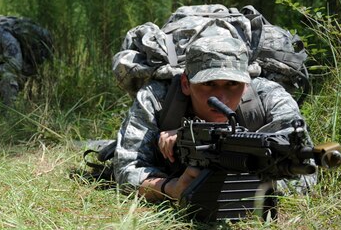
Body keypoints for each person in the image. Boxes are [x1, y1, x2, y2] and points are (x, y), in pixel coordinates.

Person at [114, 34, 309, 202]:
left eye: (233, 84)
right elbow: (125, 169)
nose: (221, 98)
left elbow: (306, 174)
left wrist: (245, 176)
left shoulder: (269, 97)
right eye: (208, 84)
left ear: (247, 83)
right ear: (185, 84)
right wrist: (171, 188)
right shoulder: (158, 98)